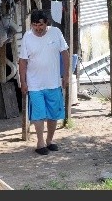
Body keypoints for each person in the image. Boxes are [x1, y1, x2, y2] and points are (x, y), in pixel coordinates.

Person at [18, 9, 69, 155]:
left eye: (40, 25)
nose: (38, 28)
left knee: (53, 114)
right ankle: (40, 143)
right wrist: (23, 82)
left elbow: (65, 54)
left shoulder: (56, 33)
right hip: (34, 83)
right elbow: (22, 61)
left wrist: (66, 75)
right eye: (35, 25)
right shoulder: (27, 37)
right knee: (38, 114)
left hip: (53, 82)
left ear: (47, 23)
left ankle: (50, 140)